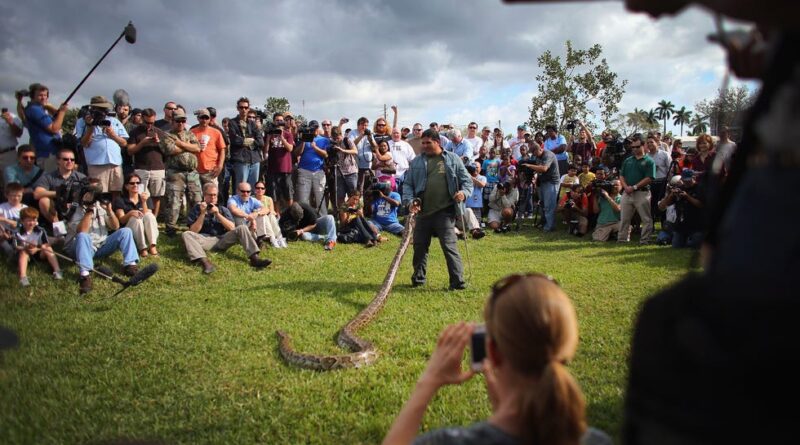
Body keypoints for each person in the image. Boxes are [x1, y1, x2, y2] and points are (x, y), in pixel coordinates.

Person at [383, 273, 611, 445]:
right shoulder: (598, 441)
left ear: (491, 351)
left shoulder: (449, 441)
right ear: (568, 344)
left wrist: (428, 381)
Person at [402, 129, 472, 290]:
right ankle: (418, 279)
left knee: (449, 246)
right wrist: (410, 201)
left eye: (428, 143)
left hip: (445, 212)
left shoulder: (452, 159)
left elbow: (467, 181)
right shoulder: (417, 161)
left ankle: (457, 282)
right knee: (419, 247)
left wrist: (464, 193)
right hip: (422, 212)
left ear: (438, 142)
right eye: (423, 143)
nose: (424, 146)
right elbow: (407, 184)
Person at [64, 178, 139, 295]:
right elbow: (81, 231)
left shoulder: (100, 205)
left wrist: (110, 212)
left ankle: (130, 266)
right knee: (83, 236)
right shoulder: (75, 208)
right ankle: (85, 275)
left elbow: (115, 226)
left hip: (100, 245)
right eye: (92, 191)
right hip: (80, 248)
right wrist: (89, 212)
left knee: (126, 231)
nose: (94, 195)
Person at [182, 183, 272, 274]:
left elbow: (231, 227)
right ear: (204, 196)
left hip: (222, 239)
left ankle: (254, 259)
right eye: (210, 195)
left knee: (242, 228)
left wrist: (218, 214)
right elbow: (193, 231)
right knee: (186, 234)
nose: (213, 197)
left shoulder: (223, 209)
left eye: (215, 195)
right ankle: (205, 263)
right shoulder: (196, 209)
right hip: (205, 240)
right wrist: (202, 214)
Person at [75, 95, 129, 196]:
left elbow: (124, 143)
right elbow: (84, 143)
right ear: (92, 108)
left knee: (116, 193)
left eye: (103, 108)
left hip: (115, 163)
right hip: (96, 163)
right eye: (98, 108)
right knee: (97, 193)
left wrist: (112, 135)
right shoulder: (82, 121)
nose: (101, 111)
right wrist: (90, 127)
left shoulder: (113, 121)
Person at [160, 109, 202, 236]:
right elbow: (170, 150)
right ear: (172, 121)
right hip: (175, 173)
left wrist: (180, 143)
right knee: (173, 201)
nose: (181, 123)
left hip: (192, 172)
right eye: (178, 121)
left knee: (196, 199)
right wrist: (188, 146)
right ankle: (171, 227)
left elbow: (198, 148)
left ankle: (193, 225)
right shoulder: (167, 135)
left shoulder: (190, 134)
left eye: (183, 121)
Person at [127, 108, 166, 219]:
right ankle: (141, 217)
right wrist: (142, 143)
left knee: (156, 195)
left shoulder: (160, 132)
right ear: (142, 119)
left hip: (158, 168)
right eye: (147, 122)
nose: (149, 125)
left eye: (152, 123)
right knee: (140, 194)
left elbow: (167, 151)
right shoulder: (134, 132)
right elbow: (130, 151)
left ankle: (154, 218)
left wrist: (159, 143)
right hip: (141, 168)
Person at [19, 84, 68, 172]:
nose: (43, 98)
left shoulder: (40, 109)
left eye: (45, 95)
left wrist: (54, 109)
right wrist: (62, 112)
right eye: (40, 95)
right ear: (32, 96)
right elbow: (54, 129)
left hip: (50, 152)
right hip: (47, 153)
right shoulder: (34, 109)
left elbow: (56, 118)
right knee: (51, 181)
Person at [618, 134, 655, 244]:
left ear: (643, 146)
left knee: (646, 219)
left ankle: (645, 240)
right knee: (624, 218)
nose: (634, 149)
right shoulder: (628, 160)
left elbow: (649, 178)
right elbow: (621, 176)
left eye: (637, 147)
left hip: (642, 193)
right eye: (632, 147)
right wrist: (625, 187)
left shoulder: (649, 161)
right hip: (627, 193)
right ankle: (622, 239)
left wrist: (634, 187)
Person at [33, 147, 86, 224]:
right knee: (43, 200)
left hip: (76, 206)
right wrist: (60, 193)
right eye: (65, 159)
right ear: (58, 161)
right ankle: (59, 227)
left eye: (72, 160)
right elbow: (37, 194)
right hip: (56, 209)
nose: (69, 161)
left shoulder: (81, 177)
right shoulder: (49, 177)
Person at [113, 173, 159, 258]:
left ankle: (152, 246)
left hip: (144, 228)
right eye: (132, 183)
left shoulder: (146, 198)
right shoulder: (120, 200)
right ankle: (142, 248)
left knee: (149, 216)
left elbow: (147, 217)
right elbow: (121, 220)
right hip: (130, 228)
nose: (135, 185)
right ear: (126, 186)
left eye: (138, 183)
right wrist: (130, 213)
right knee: (136, 218)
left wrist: (144, 201)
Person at [13, 207, 62, 287]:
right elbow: (16, 247)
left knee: (48, 248)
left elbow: (46, 244)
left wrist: (36, 249)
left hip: (38, 253)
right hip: (24, 255)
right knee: (23, 253)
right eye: (29, 220)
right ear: (22, 221)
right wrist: (26, 248)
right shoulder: (17, 232)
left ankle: (57, 270)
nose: (32, 223)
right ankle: (23, 277)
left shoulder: (40, 230)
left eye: (34, 220)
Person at [657, 169, 705, 248]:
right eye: (684, 180)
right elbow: (663, 206)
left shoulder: (700, 188)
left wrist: (687, 197)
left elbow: (701, 205)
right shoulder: (680, 188)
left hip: (697, 225)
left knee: (694, 245)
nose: (686, 182)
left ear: (694, 178)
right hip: (681, 225)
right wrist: (671, 195)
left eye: (688, 180)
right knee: (676, 246)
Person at [227, 97, 264, 189]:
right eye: (241, 107)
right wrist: (250, 140)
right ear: (237, 108)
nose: (243, 109)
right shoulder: (232, 122)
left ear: (248, 108)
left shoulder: (253, 124)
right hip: (241, 159)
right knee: (241, 188)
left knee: (253, 189)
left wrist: (243, 140)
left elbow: (260, 142)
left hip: (254, 159)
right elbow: (234, 140)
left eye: (246, 107)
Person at [295, 120, 329, 215]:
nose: (314, 130)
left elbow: (326, 155)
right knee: (303, 199)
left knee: (320, 198)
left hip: (318, 171)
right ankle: (305, 220)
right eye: (312, 128)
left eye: (315, 128)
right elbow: (296, 153)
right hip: (304, 171)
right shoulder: (303, 139)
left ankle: (323, 219)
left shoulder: (323, 140)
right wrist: (303, 141)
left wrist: (315, 147)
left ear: (318, 129)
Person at [264, 112, 295, 211]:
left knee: (288, 194)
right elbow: (265, 151)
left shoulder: (288, 134)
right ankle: (276, 215)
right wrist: (268, 137)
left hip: (285, 169)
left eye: (281, 120)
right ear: (273, 121)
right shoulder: (269, 134)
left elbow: (290, 148)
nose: (279, 122)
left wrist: (281, 137)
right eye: (277, 120)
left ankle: (291, 215)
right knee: (274, 195)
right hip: (272, 169)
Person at [528, 141, 560, 232]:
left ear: (540, 149)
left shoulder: (548, 154)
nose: (534, 155)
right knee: (543, 205)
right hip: (543, 182)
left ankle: (550, 227)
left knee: (549, 206)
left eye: (535, 152)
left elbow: (544, 168)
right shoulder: (537, 157)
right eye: (532, 153)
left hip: (552, 182)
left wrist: (530, 166)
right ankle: (545, 223)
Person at [190, 108, 226, 188]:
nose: (204, 120)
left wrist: (220, 166)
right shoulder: (191, 132)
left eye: (206, 118)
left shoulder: (216, 132)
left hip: (211, 171)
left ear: (209, 119)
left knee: (211, 196)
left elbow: (222, 150)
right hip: (195, 171)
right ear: (198, 118)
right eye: (202, 117)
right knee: (196, 198)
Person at [253, 181, 287, 248]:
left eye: (262, 188)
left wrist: (267, 212)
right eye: (258, 188)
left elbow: (272, 211)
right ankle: (273, 238)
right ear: (254, 189)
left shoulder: (268, 199)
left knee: (271, 216)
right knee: (265, 216)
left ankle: (279, 237)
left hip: (268, 219)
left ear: (265, 190)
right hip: (258, 220)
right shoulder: (252, 199)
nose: (260, 190)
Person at [349, 117, 378, 193]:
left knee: (369, 189)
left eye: (366, 125)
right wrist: (361, 136)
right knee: (359, 189)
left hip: (368, 166)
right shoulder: (352, 133)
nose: (364, 127)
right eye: (362, 125)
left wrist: (370, 139)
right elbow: (351, 145)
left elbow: (375, 148)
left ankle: (367, 204)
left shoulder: (369, 134)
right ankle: (359, 204)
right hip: (357, 167)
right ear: (358, 125)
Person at [1, 182, 27, 260]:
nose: (16, 198)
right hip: (6, 234)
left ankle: (17, 252)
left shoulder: (25, 208)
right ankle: (10, 251)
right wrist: (8, 221)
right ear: (7, 195)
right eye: (13, 195)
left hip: (21, 233)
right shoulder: (2, 207)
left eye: (19, 196)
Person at [0, 107, 24, 184]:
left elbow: (19, 134)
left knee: (12, 183)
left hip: (8, 154)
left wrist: (10, 122)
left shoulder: (13, 116)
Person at [389, 127, 416, 192]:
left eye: (397, 133)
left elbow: (412, 159)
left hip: (404, 174)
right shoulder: (387, 144)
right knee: (393, 194)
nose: (396, 135)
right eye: (394, 133)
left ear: (400, 134)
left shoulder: (406, 145)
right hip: (390, 174)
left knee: (403, 193)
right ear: (391, 134)